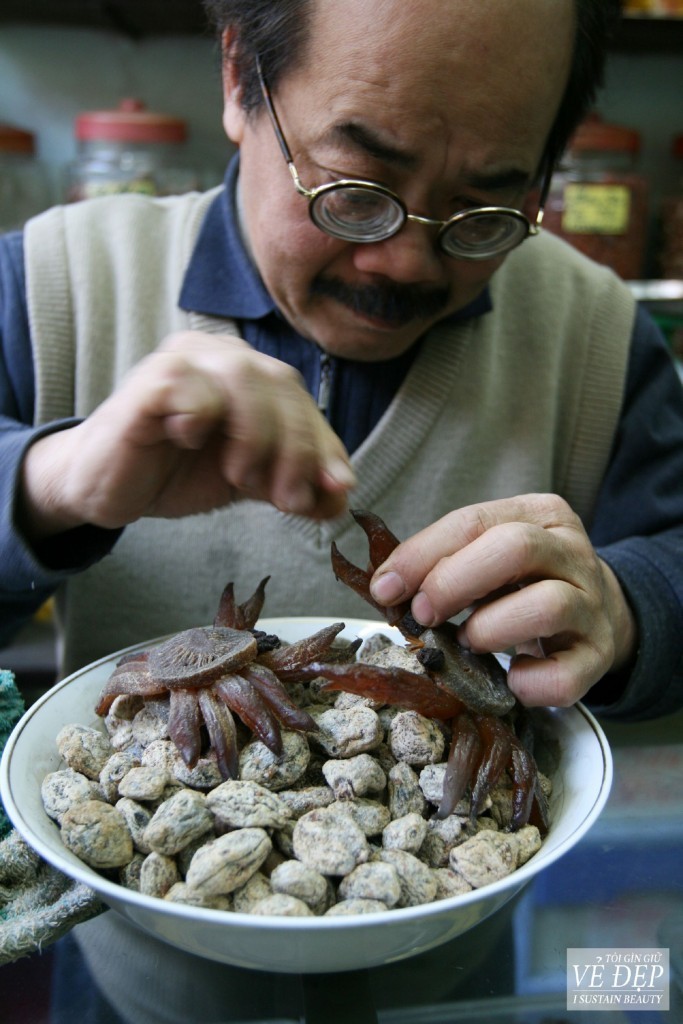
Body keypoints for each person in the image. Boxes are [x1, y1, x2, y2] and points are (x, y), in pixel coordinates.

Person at [1, 0, 682, 724]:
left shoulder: (597, 337)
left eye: (480, 210)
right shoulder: (49, 288)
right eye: (355, 190)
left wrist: (624, 606)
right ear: (239, 78)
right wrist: (44, 488)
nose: (404, 263)